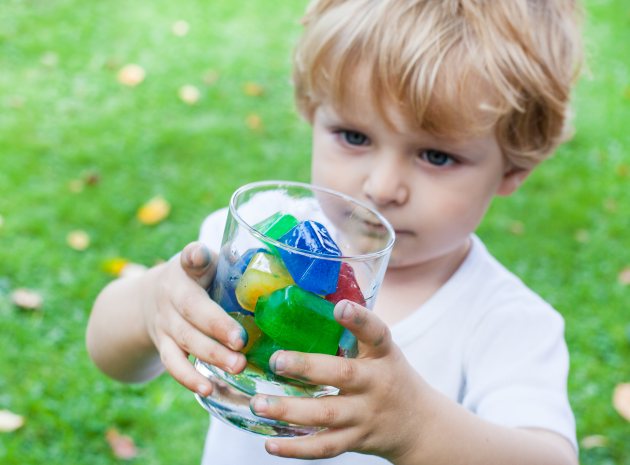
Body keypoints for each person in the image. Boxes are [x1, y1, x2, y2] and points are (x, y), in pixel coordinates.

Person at [86, 0, 584, 463]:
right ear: (311, 108)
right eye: (354, 136)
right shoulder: (253, 249)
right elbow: (113, 358)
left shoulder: (505, 321)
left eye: (437, 156)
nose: (383, 186)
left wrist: (417, 426)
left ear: (513, 169)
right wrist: (153, 303)